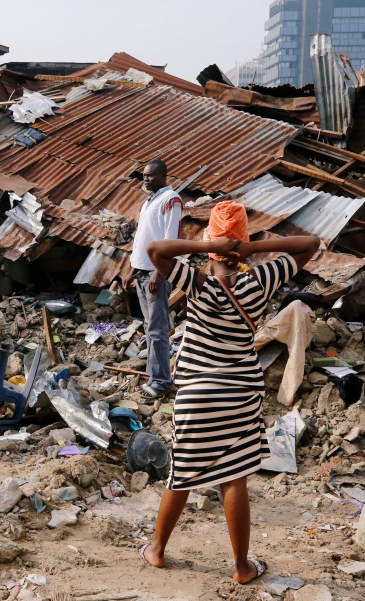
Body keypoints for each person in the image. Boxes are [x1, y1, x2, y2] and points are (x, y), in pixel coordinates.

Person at [139, 200, 320, 583]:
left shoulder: (196, 280)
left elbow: (155, 250)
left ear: (209, 240)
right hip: (240, 393)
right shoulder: (261, 280)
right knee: (234, 477)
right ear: (242, 242)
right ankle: (241, 567)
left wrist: (209, 248)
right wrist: (252, 250)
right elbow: (311, 243)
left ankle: (156, 549)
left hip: (197, 392)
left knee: (182, 474)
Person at [123, 159, 182, 399]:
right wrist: (132, 270)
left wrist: (160, 273)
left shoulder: (171, 200)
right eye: (144, 176)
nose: (145, 180)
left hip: (155, 275)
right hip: (142, 273)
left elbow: (171, 241)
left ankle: (160, 381)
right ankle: (153, 375)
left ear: (163, 175)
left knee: (157, 330)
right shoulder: (150, 200)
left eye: (150, 176)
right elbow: (143, 239)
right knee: (150, 327)